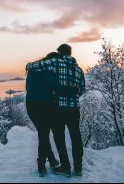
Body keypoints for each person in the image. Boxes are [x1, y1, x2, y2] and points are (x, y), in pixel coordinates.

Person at [26, 44, 86, 178]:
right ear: (70, 53)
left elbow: (32, 66)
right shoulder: (79, 69)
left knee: (59, 138)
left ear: (59, 52)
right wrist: (73, 95)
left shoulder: (55, 62)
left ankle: (65, 167)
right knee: (76, 136)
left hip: (58, 107)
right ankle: (78, 168)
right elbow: (82, 89)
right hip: (74, 108)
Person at [25, 52, 61, 177]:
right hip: (45, 104)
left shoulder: (33, 68)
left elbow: (28, 87)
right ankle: (42, 163)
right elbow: (55, 88)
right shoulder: (50, 70)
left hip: (31, 104)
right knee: (44, 133)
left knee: (43, 132)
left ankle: (49, 160)